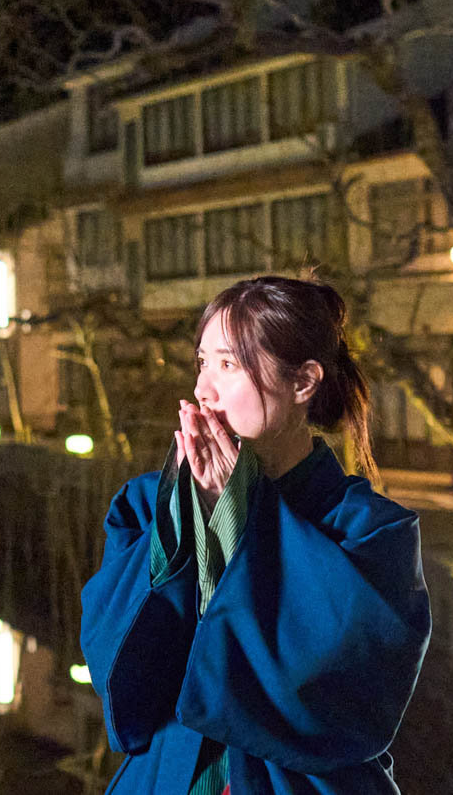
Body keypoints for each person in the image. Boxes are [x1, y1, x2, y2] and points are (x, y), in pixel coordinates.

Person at [80, 276, 431, 794]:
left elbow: (343, 695)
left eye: (229, 364)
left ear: (303, 383)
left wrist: (243, 514)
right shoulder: (148, 502)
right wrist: (191, 512)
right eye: (202, 363)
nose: (204, 388)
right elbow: (115, 660)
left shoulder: (371, 531)